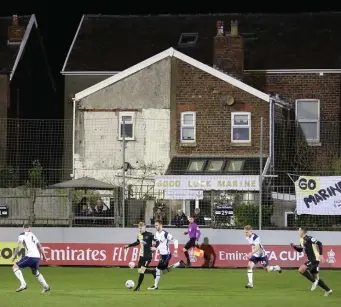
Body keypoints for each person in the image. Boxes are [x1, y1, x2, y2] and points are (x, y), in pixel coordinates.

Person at [290, 227, 332, 296]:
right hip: (310, 259)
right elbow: (300, 250)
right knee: (315, 277)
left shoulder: (309, 238)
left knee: (302, 269)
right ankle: (328, 290)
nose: (298, 231)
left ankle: (314, 281)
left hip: (315, 259)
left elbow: (320, 243)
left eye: (299, 230)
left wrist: (321, 255)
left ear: (303, 231)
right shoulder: (301, 239)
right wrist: (294, 246)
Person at [11, 224, 50, 293]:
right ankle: (46, 286)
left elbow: (18, 247)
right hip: (37, 257)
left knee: (15, 267)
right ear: (29, 228)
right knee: (35, 272)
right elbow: (40, 246)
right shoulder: (33, 235)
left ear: (23, 228)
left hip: (30, 256)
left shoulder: (21, 235)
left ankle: (23, 284)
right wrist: (44, 256)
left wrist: (14, 256)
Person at [147, 219, 185, 290]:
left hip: (166, 255)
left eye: (157, 225)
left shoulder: (165, 234)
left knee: (157, 269)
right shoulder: (157, 234)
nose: (155, 226)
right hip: (162, 255)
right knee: (164, 271)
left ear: (161, 225)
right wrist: (155, 248)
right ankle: (178, 263)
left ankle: (155, 286)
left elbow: (175, 240)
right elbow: (159, 244)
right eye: (155, 225)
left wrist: (176, 250)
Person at [124, 222, 155, 291]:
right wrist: (128, 246)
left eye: (141, 228)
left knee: (141, 271)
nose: (140, 229)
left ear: (144, 227)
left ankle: (138, 287)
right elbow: (137, 242)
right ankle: (153, 272)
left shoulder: (150, 235)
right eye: (139, 228)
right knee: (140, 271)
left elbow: (157, 241)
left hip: (147, 256)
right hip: (141, 255)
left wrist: (155, 247)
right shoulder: (139, 235)